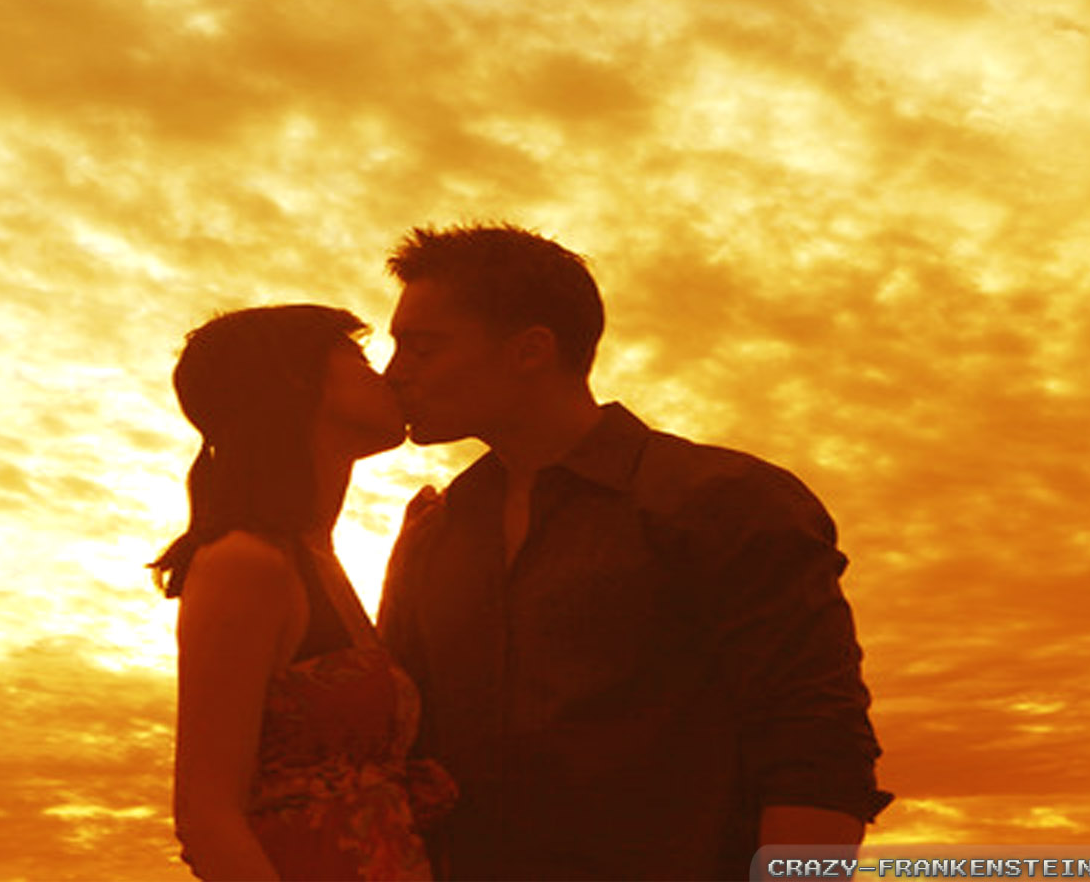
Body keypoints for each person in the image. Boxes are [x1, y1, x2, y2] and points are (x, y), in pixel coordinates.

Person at [375, 224, 891, 881]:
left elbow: (816, 750)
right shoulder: (436, 536)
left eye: (422, 348)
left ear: (530, 350)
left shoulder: (725, 501)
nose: (395, 376)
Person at [152, 305, 457, 881]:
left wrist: (402, 575)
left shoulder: (312, 556)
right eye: (361, 359)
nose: (389, 376)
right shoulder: (244, 562)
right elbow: (206, 816)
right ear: (296, 380)